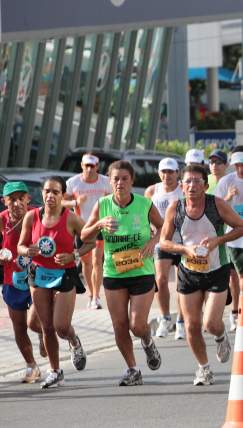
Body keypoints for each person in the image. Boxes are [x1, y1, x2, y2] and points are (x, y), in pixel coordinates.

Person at [160, 164, 243, 384]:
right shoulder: (175, 208)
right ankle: (204, 368)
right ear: (181, 186)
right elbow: (163, 241)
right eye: (187, 181)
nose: (192, 185)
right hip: (188, 271)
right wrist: (185, 249)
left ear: (206, 185)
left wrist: (217, 240)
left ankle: (220, 335)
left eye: (197, 181)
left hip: (217, 270)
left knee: (211, 323)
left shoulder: (216, 205)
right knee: (191, 325)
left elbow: (242, 228)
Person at [81, 161, 164, 386]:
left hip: (141, 272)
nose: (120, 183)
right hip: (114, 273)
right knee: (119, 326)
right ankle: (133, 369)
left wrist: (153, 242)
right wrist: (99, 223)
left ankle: (147, 341)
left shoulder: (145, 204)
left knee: (136, 326)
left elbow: (164, 228)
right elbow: (84, 235)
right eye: (116, 179)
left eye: (125, 178)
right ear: (110, 181)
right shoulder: (103, 204)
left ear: (132, 181)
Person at [18, 176, 95, 388]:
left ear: (63, 195)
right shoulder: (31, 217)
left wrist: (75, 255)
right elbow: (20, 246)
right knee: (46, 326)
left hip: (64, 274)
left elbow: (91, 242)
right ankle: (56, 371)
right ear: (42, 193)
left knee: (61, 326)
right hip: (39, 273)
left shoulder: (72, 219)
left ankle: (74, 341)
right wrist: (28, 250)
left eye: (55, 192)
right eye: (47, 191)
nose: (50, 196)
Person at [0, 182, 44, 383]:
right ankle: (31, 366)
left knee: (34, 322)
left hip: (38, 278)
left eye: (21, 198)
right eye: (12, 199)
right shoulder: (0, 220)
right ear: (4, 202)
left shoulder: (39, 216)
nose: (17, 203)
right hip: (12, 281)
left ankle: (42, 333)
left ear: (28, 199)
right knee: (19, 325)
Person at [213, 147, 243, 330]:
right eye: (237, 166)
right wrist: (227, 197)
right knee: (242, 282)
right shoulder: (227, 181)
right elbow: (215, 208)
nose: (240, 169)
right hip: (234, 239)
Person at [64, 154, 114, 310]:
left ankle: (97, 297)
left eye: (92, 166)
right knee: (86, 264)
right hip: (82, 227)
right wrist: (75, 202)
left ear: (98, 166)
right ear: (81, 165)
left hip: (100, 226)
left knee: (98, 261)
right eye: (86, 165)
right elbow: (62, 202)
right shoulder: (73, 182)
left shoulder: (106, 181)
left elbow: (115, 199)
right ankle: (91, 294)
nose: (89, 169)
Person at [144, 158, 184, 339]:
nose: (167, 175)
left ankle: (182, 322)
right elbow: (143, 214)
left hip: (182, 242)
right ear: (159, 173)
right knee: (160, 280)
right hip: (162, 242)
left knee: (181, 285)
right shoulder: (153, 190)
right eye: (163, 172)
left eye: (170, 172)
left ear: (177, 173)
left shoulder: (183, 189)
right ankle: (165, 318)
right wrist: (149, 228)